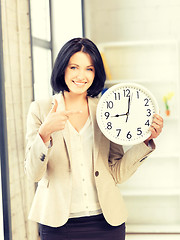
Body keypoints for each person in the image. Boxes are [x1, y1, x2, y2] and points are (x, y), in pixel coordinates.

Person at [25, 37, 163, 240]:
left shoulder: (106, 110)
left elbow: (117, 173)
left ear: (96, 73)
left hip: (106, 223)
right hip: (58, 224)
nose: (81, 75)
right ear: (63, 68)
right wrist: (44, 134)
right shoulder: (40, 109)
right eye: (74, 67)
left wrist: (145, 142)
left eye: (89, 69)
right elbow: (33, 174)